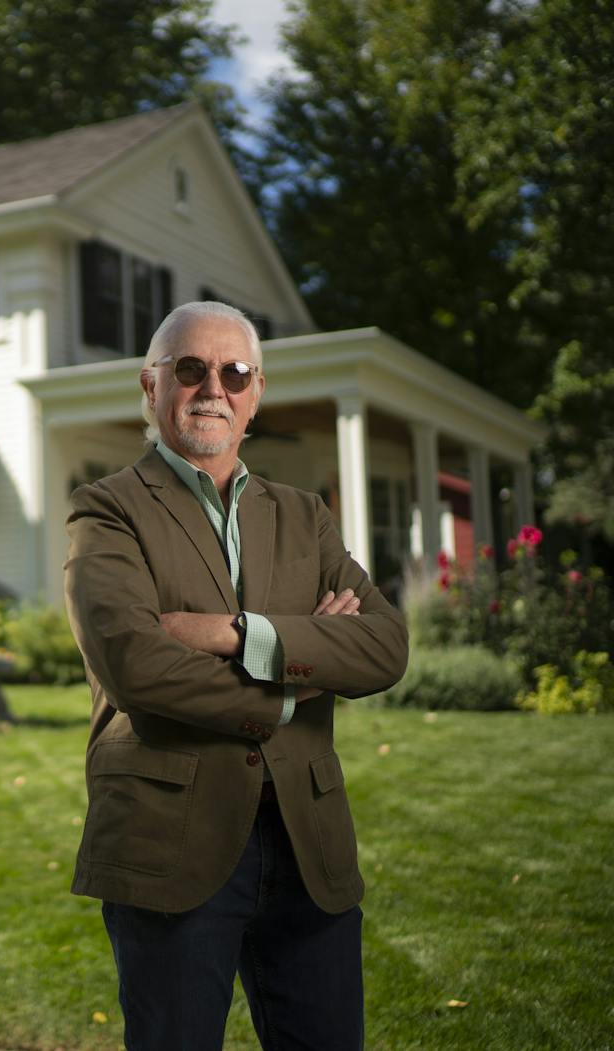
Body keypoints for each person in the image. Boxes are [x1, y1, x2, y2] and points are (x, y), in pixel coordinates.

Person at [64, 301, 408, 1050]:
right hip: (170, 844)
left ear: (256, 393)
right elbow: (138, 668)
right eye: (190, 369)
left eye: (234, 372)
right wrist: (300, 673)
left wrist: (235, 634)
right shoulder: (107, 511)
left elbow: (383, 646)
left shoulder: (304, 516)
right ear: (150, 387)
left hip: (307, 842)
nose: (212, 387)